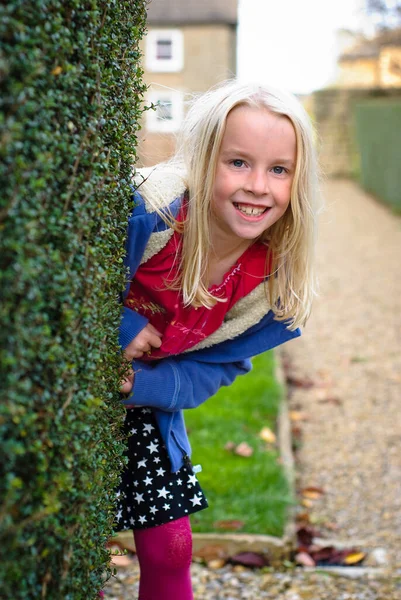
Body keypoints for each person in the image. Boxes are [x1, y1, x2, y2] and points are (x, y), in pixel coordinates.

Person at [114, 79, 320, 599]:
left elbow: (219, 365)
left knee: (170, 547)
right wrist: (119, 326)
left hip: (138, 404)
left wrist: (140, 384)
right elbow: (61, 272)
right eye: (238, 163)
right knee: (76, 534)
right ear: (204, 160)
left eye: (279, 170)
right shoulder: (150, 213)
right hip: (62, 393)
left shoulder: (267, 281)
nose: (258, 185)